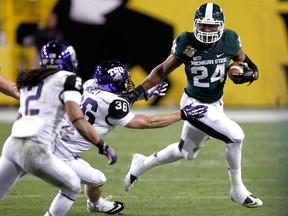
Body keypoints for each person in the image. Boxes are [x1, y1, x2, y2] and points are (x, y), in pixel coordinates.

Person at [123, 2, 263, 208]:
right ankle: (237, 189)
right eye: (203, 25)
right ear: (196, 24)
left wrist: (248, 74)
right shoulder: (186, 43)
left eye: (211, 26)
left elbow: (249, 65)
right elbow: (162, 71)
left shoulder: (230, 39)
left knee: (185, 152)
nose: (207, 30)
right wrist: (137, 92)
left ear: (221, 26)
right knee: (236, 136)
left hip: (215, 103)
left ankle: (142, 163)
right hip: (195, 105)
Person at [53, 60, 207, 213]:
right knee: (96, 180)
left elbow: (113, 102)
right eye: (122, 81)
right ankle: (94, 205)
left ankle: (96, 204)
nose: (126, 83)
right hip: (62, 154)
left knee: (93, 180)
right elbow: (148, 122)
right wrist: (181, 114)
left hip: (56, 141)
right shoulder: (113, 103)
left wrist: (143, 95)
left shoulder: (90, 84)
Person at [0, 40, 118, 216]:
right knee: (71, 186)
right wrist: (102, 145)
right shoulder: (69, 80)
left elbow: (20, 116)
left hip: (12, 144)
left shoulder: (30, 78)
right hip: (36, 147)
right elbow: (77, 119)